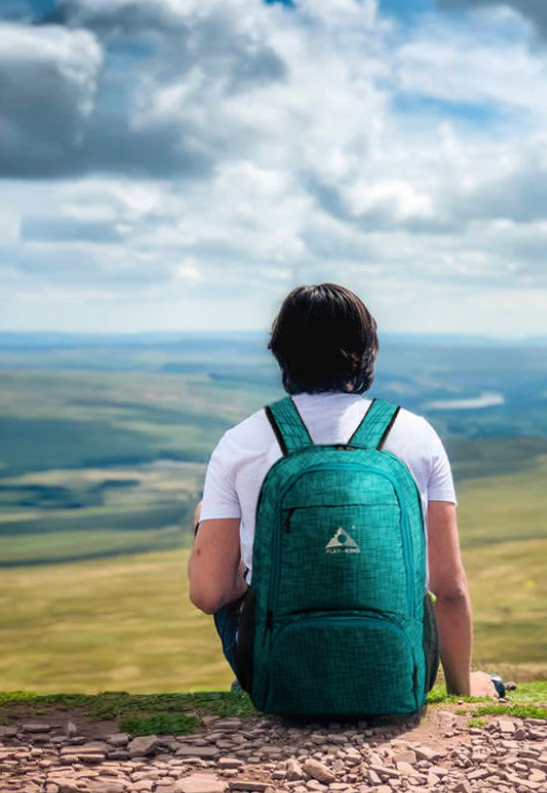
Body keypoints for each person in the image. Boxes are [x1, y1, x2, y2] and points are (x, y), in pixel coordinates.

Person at [188, 283, 499, 699]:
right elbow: (449, 588)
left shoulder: (241, 442)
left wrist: (266, 570)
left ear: (281, 351)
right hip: (394, 674)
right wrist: (462, 691)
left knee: (206, 513)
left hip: (272, 670)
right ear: (367, 349)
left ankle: (268, 668)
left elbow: (208, 595)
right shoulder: (415, 435)